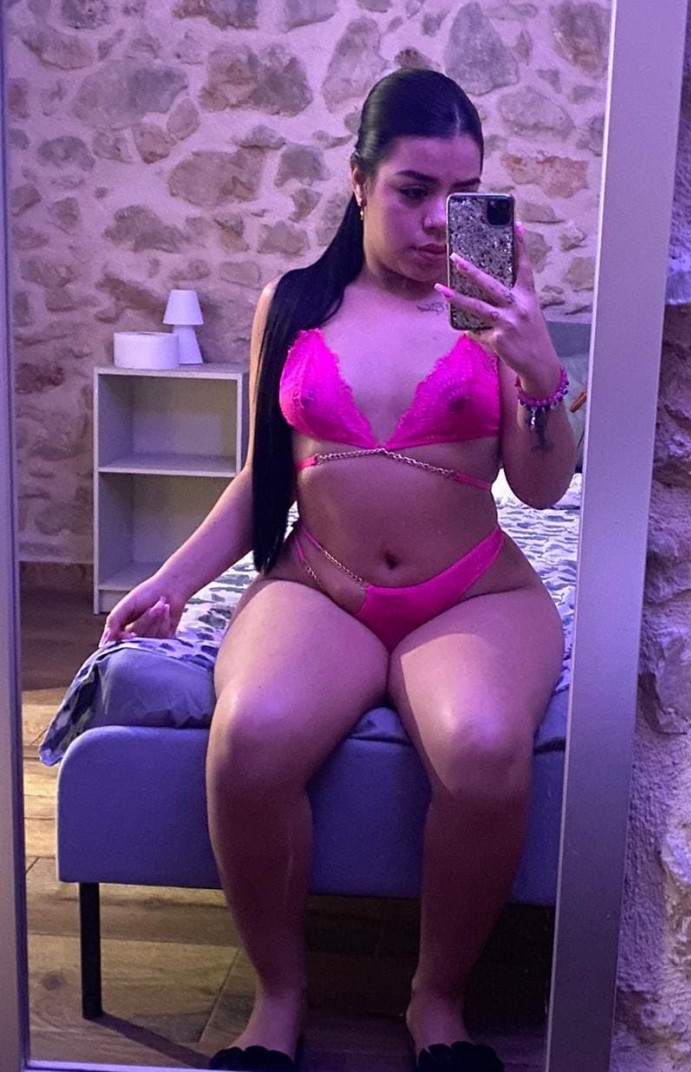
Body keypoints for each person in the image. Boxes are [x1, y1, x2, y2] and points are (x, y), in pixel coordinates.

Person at [101, 68, 576, 1072]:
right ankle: (278, 998)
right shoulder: (294, 304)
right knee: (250, 737)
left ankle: (436, 1000)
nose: (440, 218)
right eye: (414, 189)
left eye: (464, 193)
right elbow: (263, 478)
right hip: (323, 585)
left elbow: (541, 492)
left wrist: (539, 373)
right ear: (359, 182)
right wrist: (174, 581)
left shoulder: (497, 309)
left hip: (472, 592)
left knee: (486, 746)